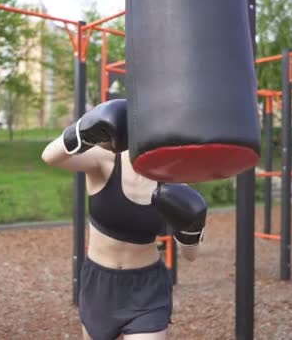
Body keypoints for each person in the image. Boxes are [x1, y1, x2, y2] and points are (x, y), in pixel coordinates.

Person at [41, 99, 207, 340]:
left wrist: (192, 229)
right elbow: (49, 157)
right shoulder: (104, 160)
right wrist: (83, 130)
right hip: (99, 285)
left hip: (147, 289)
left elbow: (190, 256)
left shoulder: (173, 180)